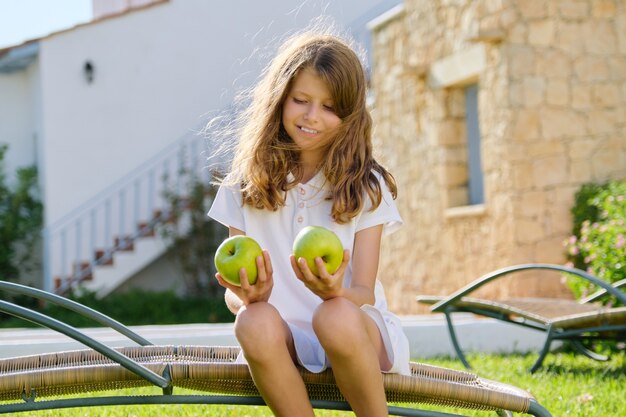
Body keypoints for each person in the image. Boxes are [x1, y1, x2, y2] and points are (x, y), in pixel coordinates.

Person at [208, 29, 410, 417]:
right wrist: (247, 296)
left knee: (333, 314)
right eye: (300, 100)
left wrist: (336, 292)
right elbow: (234, 296)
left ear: (350, 116)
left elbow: (364, 291)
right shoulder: (245, 184)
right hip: (283, 338)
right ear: (280, 99)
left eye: (330, 107)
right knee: (253, 321)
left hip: (356, 332)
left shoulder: (366, 186)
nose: (311, 116)